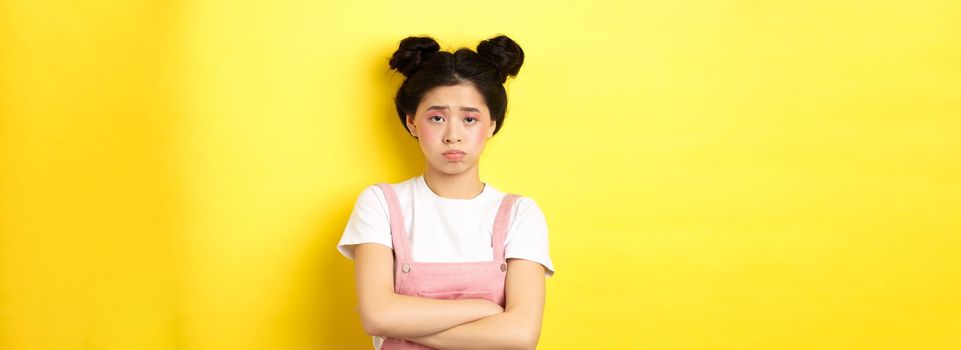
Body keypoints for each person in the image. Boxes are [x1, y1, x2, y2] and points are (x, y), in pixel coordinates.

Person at [337, 34, 555, 350]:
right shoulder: (381, 203)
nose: (453, 135)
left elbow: (520, 336)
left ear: (492, 124)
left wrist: (404, 326)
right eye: (437, 118)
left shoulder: (520, 214)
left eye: (469, 119)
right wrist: (481, 309)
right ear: (412, 122)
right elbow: (376, 315)